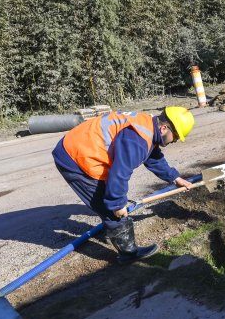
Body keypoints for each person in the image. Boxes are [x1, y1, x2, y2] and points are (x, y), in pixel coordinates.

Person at [52, 106, 195, 263]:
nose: (174, 141)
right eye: (175, 136)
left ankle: (111, 231)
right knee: (109, 207)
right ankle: (128, 253)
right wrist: (117, 204)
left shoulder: (147, 126)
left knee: (109, 198)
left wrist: (175, 178)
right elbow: (119, 173)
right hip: (74, 157)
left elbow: (153, 157)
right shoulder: (138, 139)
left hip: (81, 146)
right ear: (164, 128)